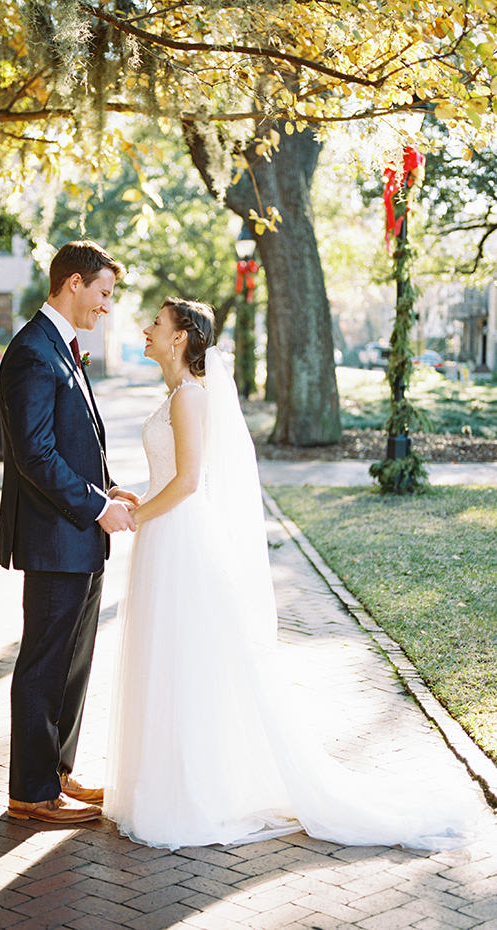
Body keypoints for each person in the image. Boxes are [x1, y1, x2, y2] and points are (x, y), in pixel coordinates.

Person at [104, 296, 483, 851]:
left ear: (181, 337)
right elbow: (173, 476)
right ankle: (166, 783)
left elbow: (188, 485)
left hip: (182, 542)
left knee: (185, 661)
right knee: (166, 659)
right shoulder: (176, 395)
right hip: (165, 538)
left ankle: (190, 793)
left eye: (156, 324)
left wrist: (136, 516)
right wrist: (135, 495)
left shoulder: (190, 398)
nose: (145, 329)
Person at [0, 240, 138, 825]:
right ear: (73, 284)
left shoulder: (64, 348)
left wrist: (111, 487)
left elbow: (78, 440)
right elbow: (36, 453)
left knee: (73, 662)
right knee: (43, 663)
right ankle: (30, 791)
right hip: (55, 537)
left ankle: (57, 771)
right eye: (103, 293)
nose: (106, 305)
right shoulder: (33, 351)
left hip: (80, 534)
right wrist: (96, 506)